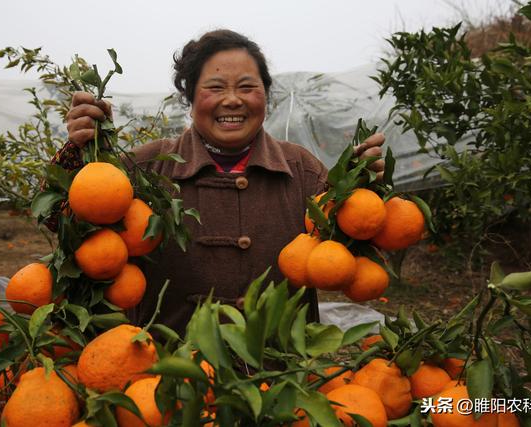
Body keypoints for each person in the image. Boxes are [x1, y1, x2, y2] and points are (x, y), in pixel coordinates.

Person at [59, 29, 385, 334]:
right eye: (214, 88)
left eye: (247, 87)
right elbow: (67, 226)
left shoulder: (301, 170)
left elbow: (347, 247)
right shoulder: (145, 169)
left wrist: (358, 188)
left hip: (283, 378)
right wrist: (85, 156)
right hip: (168, 377)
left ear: (265, 96)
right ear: (189, 98)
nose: (232, 100)